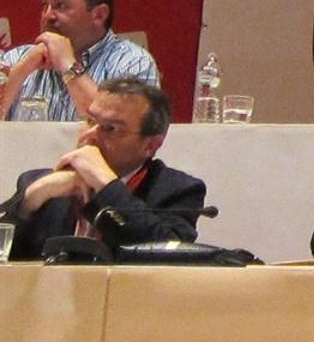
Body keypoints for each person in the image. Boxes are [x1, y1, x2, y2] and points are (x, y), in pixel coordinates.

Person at [0, 80, 205, 259]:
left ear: (150, 145)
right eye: (90, 120)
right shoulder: (39, 183)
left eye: (110, 128)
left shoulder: (177, 190)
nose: (90, 135)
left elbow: (170, 256)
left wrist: (105, 184)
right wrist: (29, 201)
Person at [0, 0, 160, 124]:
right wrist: (25, 66)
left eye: (60, 6)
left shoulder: (132, 62)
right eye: (44, 6)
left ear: (99, 15)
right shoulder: (17, 57)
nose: (48, 15)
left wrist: (69, 66)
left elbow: (118, 127)